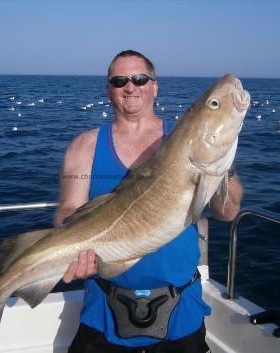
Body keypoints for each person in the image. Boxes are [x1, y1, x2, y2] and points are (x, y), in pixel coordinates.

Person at [54, 50, 244, 353]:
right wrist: (72, 253)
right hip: (103, 311)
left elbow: (228, 211)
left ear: (154, 86)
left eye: (139, 78)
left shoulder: (184, 138)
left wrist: (220, 163)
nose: (130, 86)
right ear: (108, 90)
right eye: (119, 81)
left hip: (181, 312)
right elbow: (69, 210)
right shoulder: (84, 146)